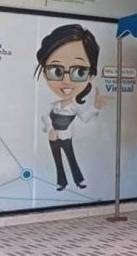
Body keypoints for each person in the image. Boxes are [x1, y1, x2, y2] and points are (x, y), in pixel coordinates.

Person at [35, 24, 107, 191]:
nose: (66, 82)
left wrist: (96, 106)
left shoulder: (75, 106)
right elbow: (45, 117)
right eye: (56, 71)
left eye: (79, 72)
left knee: (71, 158)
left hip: (66, 137)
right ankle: (62, 182)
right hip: (53, 138)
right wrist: (50, 129)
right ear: (45, 72)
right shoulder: (55, 105)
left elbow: (86, 116)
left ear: (90, 76)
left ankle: (79, 180)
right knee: (57, 160)